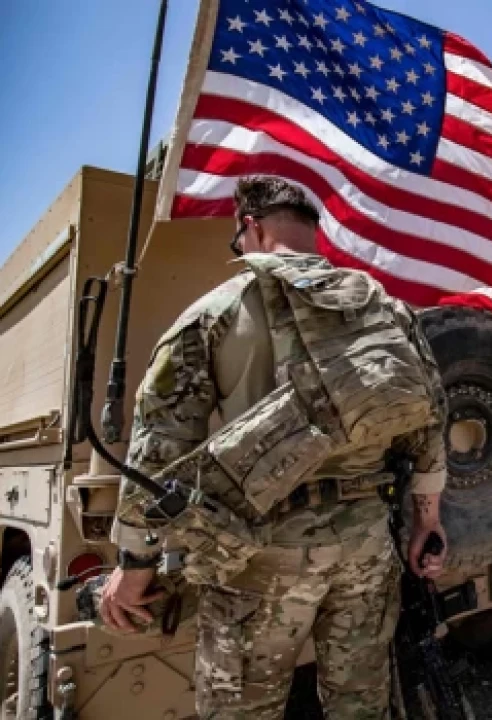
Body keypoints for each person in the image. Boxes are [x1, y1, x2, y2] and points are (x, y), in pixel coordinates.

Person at [98, 177, 450, 718]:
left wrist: (136, 563)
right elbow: (429, 419)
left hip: (258, 554)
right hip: (365, 545)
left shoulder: (214, 312)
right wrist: (428, 520)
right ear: (312, 230)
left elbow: (158, 449)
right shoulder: (385, 308)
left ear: (252, 228)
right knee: (361, 707)